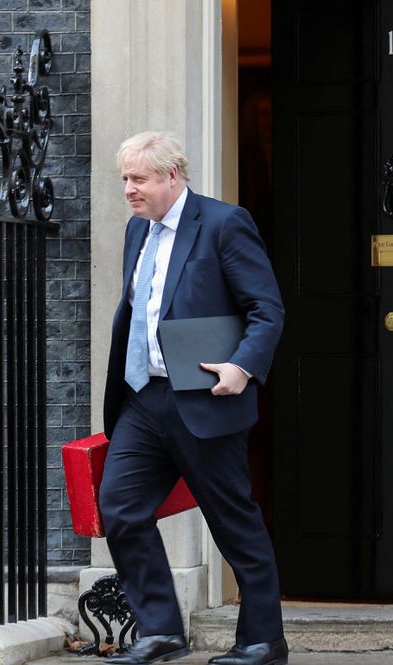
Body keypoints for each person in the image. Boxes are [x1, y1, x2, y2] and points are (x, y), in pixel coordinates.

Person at [99, 131, 287, 665]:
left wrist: (242, 367)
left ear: (173, 175)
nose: (129, 190)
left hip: (204, 396)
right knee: (121, 508)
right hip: (142, 397)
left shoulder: (225, 223)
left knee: (233, 521)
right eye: (125, 180)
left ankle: (261, 640)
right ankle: (160, 630)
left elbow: (266, 309)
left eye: (138, 179)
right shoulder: (138, 229)